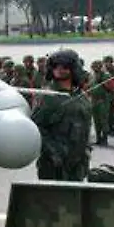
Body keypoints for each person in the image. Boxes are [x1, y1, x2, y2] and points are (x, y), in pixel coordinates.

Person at [32, 49, 91, 181]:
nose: (60, 69)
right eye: (56, 66)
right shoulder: (48, 97)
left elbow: (86, 126)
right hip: (54, 166)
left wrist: (87, 150)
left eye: (65, 66)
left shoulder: (81, 97)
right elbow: (36, 128)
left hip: (78, 163)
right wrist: (54, 152)